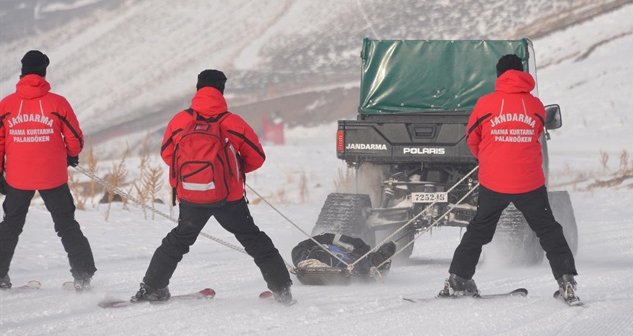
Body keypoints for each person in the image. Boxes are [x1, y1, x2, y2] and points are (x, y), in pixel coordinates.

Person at [132, 69, 293, 304]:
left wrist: (195, 174)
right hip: (229, 197)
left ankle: (152, 288)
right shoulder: (233, 122)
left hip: (191, 196)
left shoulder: (180, 120)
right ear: (222, 90)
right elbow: (257, 157)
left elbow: (168, 154)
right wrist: (231, 173)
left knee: (178, 241)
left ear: (198, 89)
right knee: (253, 239)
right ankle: (282, 290)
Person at [438, 54, 579, 303]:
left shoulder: (484, 104)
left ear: (499, 75)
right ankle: (566, 281)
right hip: (530, 183)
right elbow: (537, 133)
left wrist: (489, 158)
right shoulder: (535, 105)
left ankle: (458, 279)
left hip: (494, 182)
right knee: (548, 231)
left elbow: (472, 138)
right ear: (521, 73)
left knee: (479, 230)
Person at [0, 50, 96, 291]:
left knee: (10, 225)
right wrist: (71, 155)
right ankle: (83, 275)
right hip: (52, 176)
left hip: (17, 178)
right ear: (44, 72)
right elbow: (74, 136)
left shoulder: (7, 105)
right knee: (66, 224)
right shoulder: (57, 103)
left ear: (22, 72)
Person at [291, 233, 395, 285]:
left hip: (345, 266)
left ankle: (378, 263)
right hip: (316, 256)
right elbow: (331, 238)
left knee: (361, 265)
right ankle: (310, 266)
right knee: (312, 254)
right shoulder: (359, 247)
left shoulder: (361, 257)